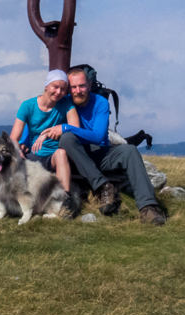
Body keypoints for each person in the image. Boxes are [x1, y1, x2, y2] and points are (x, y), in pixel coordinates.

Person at [36, 65, 166, 225]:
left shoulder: (101, 103)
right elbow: (39, 118)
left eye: (82, 86)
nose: (78, 90)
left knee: (130, 150)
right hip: (76, 157)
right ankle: (104, 187)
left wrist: (66, 127)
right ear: (69, 89)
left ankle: (148, 208)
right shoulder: (64, 103)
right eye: (74, 87)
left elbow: (98, 137)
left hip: (101, 153)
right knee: (67, 139)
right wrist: (23, 143)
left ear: (89, 86)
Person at [9, 70, 83, 217]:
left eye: (63, 89)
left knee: (61, 153)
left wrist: (48, 133)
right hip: (33, 155)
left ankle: (64, 201)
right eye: (55, 87)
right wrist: (19, 152)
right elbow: (13, 138)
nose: (59, 92)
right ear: (46, 86)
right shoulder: (28, 106)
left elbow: (76, 129)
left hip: (53, 156)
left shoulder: (66, 104)